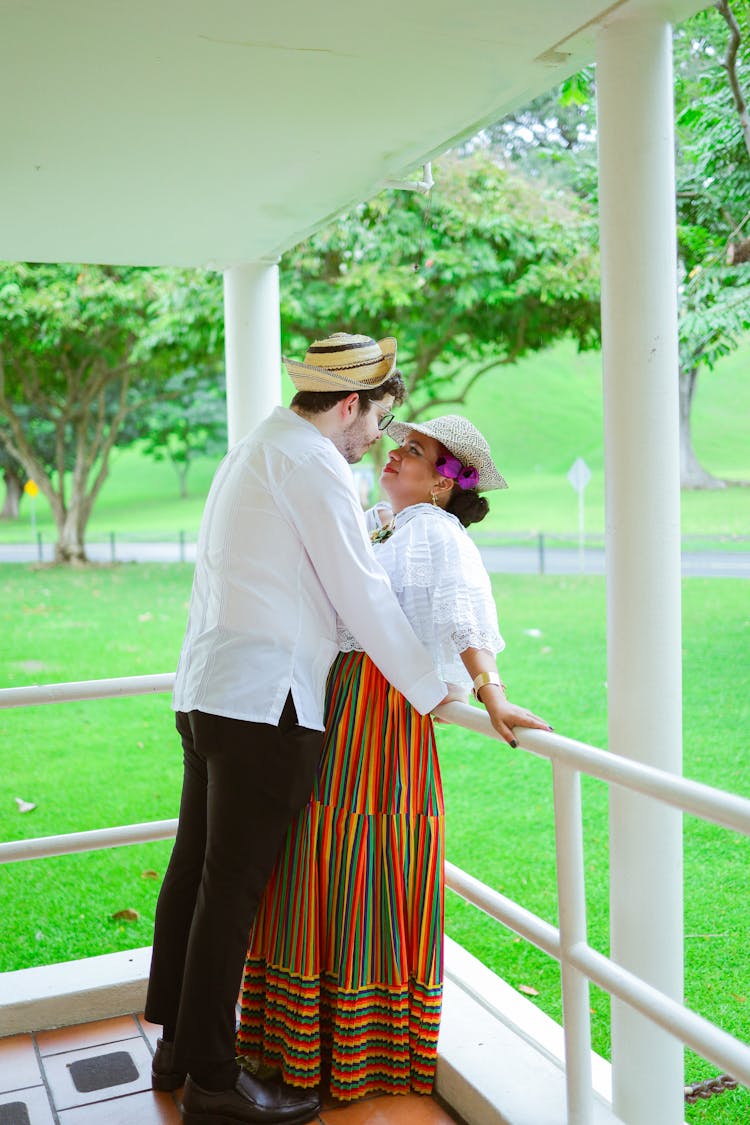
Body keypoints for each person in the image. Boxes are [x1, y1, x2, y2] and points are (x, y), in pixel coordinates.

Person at [144, 332, 451, 1125]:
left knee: (194, 873)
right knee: (229, 891)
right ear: (349, 404)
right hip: (265, 704)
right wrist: (432, 690)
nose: (377, 437)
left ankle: (179, 1049)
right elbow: (362, 592)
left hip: (209, 691)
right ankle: (213, 1079)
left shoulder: (256, 445)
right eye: (379, 418)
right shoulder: (314, 462)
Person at [237, 413, 552, 1102]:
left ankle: (349, 1049)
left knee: (352, 857)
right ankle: (311, 1043)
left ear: (444, 483)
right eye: (400, 444)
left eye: (414, 452)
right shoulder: (384, 522)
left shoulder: (435, 532)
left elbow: (463, 611)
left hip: (380, 712)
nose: (396, 454)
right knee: (328, 852)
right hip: (347, 701)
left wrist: (490, 690)